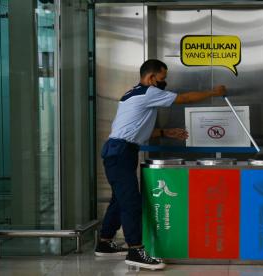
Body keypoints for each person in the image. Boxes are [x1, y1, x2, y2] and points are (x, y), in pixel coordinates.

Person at [94, 59, 226, 270]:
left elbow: (134, 128)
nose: (165, 82)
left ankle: (105, 243)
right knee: (130, 202)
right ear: (151, 77)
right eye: (163, 78)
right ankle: (135, 250)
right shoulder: (149, 92)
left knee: (120, 199)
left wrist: (165, 132)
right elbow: (184, 98)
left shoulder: (133, 94)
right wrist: (214, 92)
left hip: (119, 151)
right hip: (120, 152)